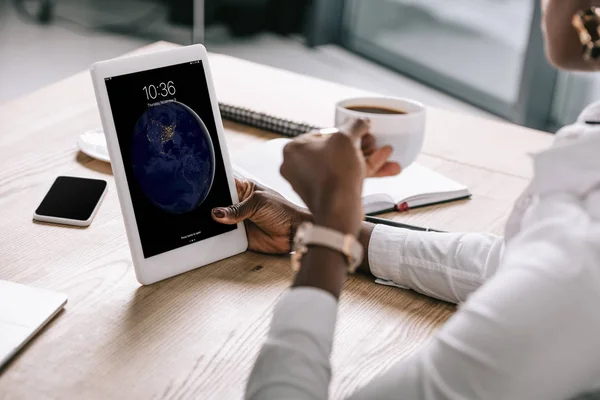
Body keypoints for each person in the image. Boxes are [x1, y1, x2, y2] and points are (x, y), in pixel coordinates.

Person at [212, 1, 600, 398]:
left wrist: (327, 240)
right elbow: (511, 264)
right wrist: (311, 226)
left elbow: (559, 274)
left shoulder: (581, 255)